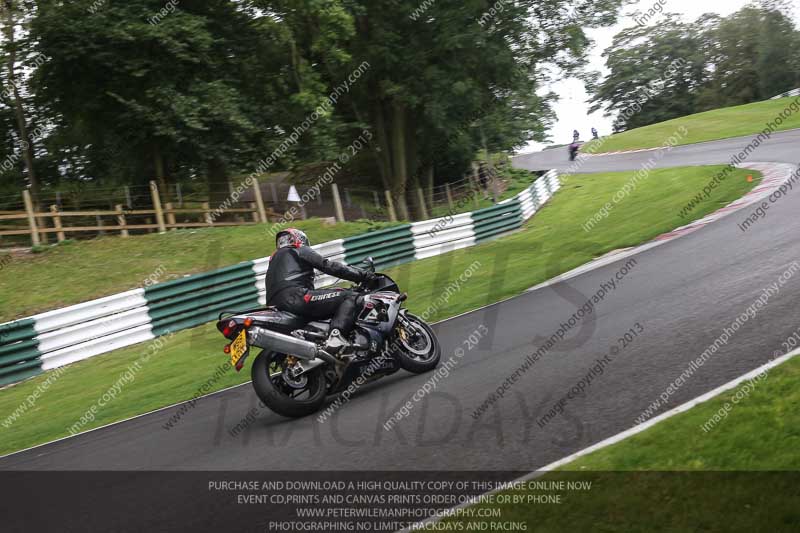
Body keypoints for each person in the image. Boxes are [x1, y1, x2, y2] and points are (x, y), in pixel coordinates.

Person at [265, 228, 375, 357]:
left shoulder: (273, 260)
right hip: (297, 297)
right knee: (349, 297)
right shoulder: (299, 250)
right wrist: (363, 275)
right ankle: (336, 338)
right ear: (299, 239)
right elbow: (328, 266)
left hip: (276, 305)